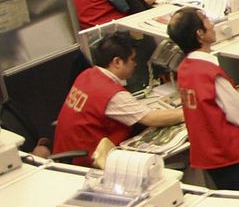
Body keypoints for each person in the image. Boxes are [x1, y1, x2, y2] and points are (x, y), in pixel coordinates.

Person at [170, 6, 239, 190]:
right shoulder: (209, 72)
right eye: (206, 20)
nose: (212, 24)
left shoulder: (184, 69)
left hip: (209, 155)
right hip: (232, 153)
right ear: (200, 34)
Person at [54, 32, 183, 158]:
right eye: (132, 59)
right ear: (117, 62)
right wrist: (188, 113)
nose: (135, 64)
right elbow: (151, 118)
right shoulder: (110, 94)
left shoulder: (87, 74)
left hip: (68, 150)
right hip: (91, 159)